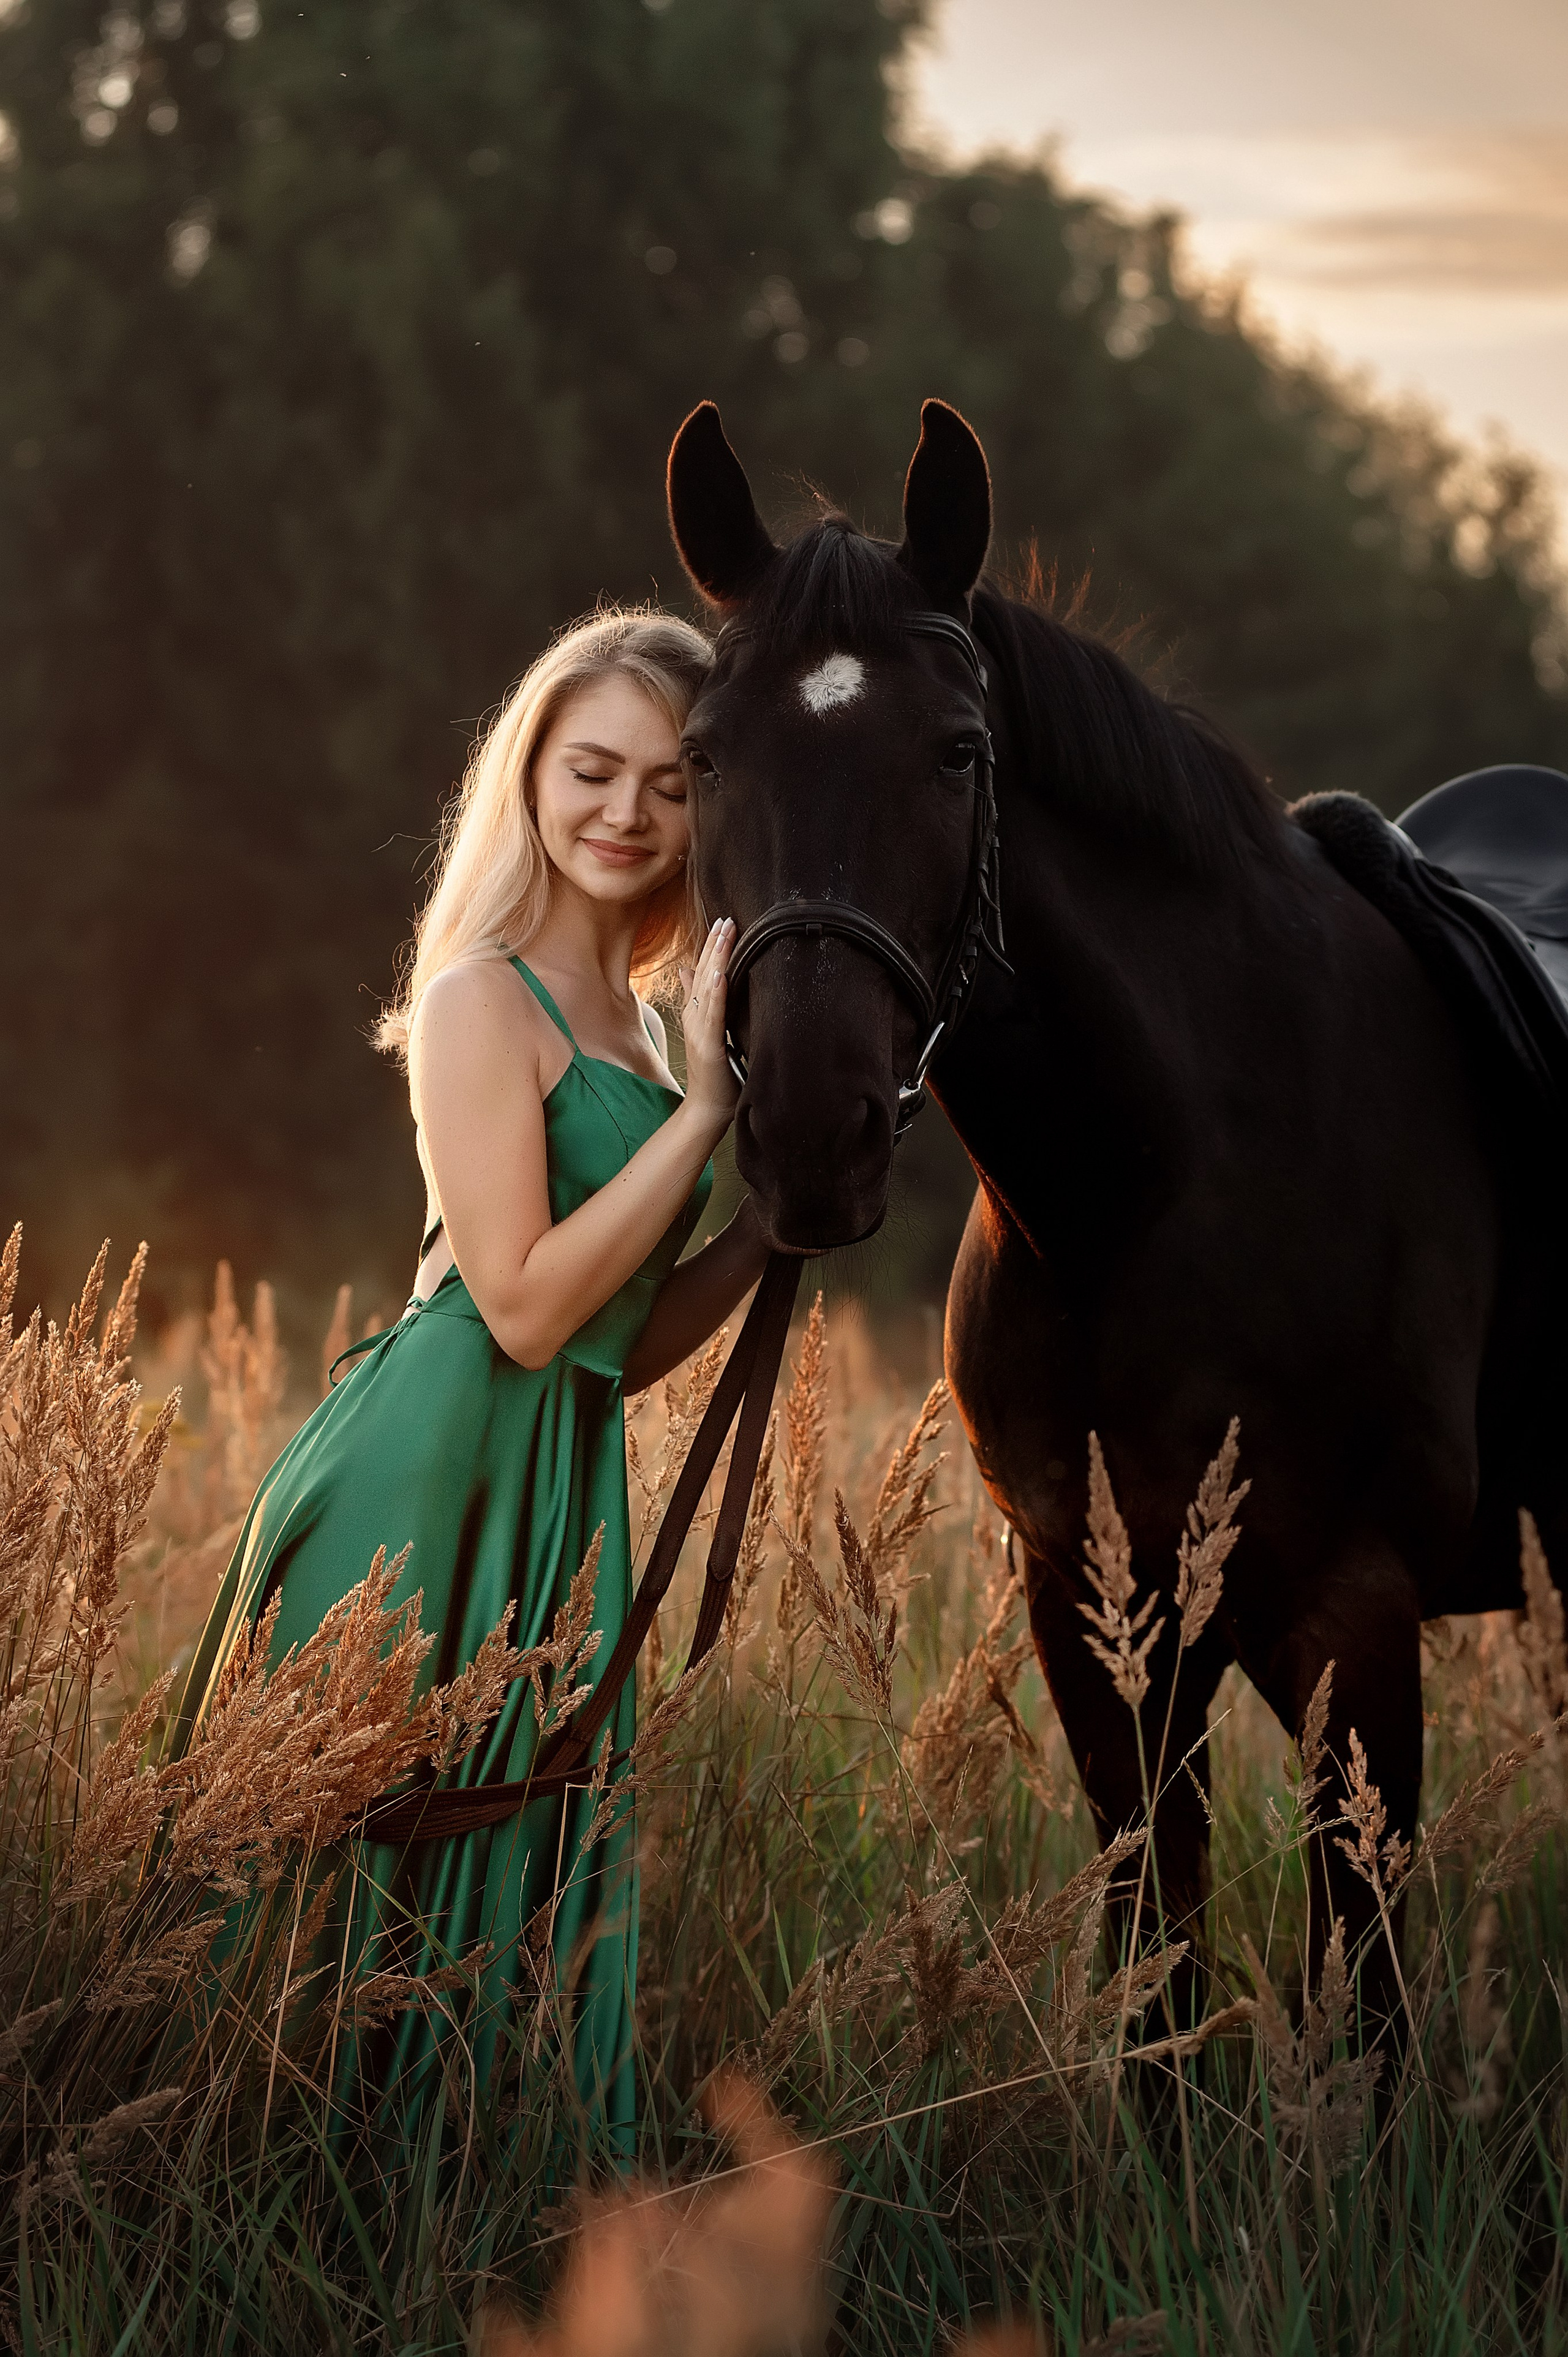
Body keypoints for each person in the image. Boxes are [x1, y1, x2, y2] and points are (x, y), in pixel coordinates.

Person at [169, 606, 770, 2166]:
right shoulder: (475, 999)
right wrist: (705, 1122)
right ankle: (274, 2187)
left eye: (667, 782)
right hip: (425, 1471)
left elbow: (611, 1345)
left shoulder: (645, 1030)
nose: (624, 813)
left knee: (522, 1837)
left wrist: (771, 1226)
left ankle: (485, 2198)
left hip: (559, 1473)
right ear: (530, 776)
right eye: (589, 769)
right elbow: (513, 1305)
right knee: (360, 1851)